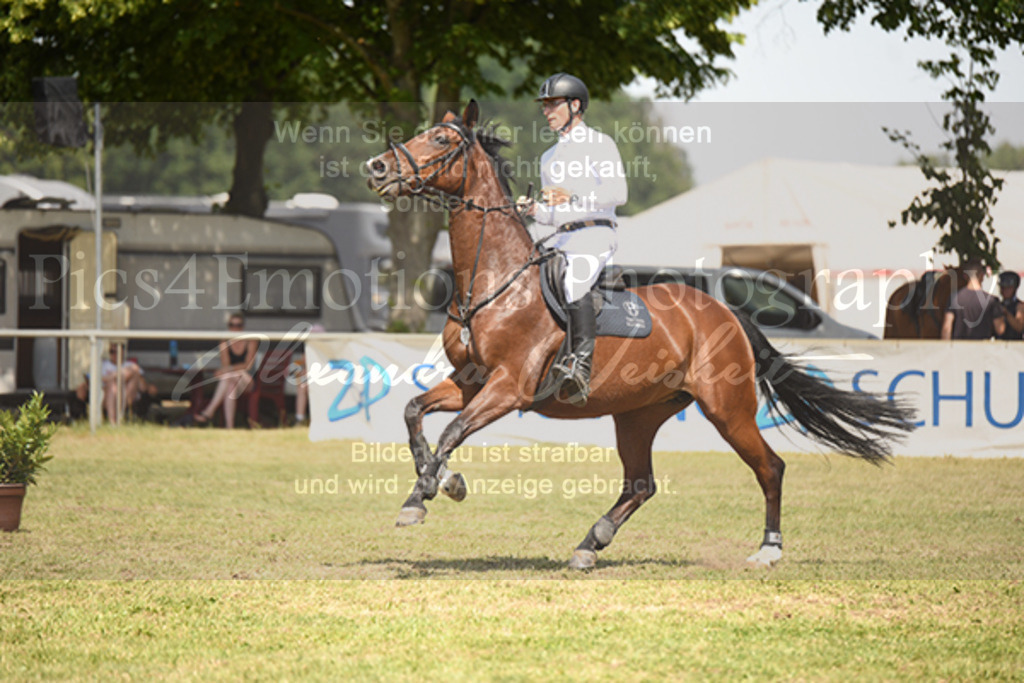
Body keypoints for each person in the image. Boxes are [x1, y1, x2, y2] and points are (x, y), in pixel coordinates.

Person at [518, 72, 628, 406]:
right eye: (545, 106)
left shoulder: (600, 143)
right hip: (561, 238)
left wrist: (571, 194)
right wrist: (535, 209)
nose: (547, 111)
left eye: (553, 104)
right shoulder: (547, 158)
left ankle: (580, 364)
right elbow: (555, 214)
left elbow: (618, 193)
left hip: (595, 235)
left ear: (574, 105)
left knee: (576, 283)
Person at [192, 313, 258, 428]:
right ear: (228, 326)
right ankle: (229, 427)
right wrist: (228, 370)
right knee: (230, 387)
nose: (235, 328)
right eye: (232, 325)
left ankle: (210, 410)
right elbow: (225, 364)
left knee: (228, 377)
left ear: (243, 327)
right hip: (232, 379)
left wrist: (228, 370)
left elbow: (247, 366)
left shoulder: (251, 340)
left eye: (238, 325)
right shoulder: (224, 341)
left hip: (247, 380)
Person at [75, 344, 151, 424]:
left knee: (133, 371)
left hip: (126, 395)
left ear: (123, 352)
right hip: (105, 395)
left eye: (116, 351)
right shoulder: (103, 365)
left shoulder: (130, 365)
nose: (114, 354)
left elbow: (143, 387)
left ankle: (113, 422)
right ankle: (80, 418)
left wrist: (116, 377)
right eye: (111, 352)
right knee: (110, 385)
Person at [941, 258, 1007, 340]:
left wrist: (947, 348)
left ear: (965, 276)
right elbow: (1000, 329)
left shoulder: (954, 298)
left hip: (959, 349)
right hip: (982, 349)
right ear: (982, 275)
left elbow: (947, 328)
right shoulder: (992, 301)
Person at [996, 271, 1024, 341]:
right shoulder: (998, 305)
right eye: (1002, 287)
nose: (1004, 290)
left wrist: (1006, 313)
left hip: (1015, 345)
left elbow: (1019, 327)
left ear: (1014, 288)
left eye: (1008, 288)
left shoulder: (1019, 306)